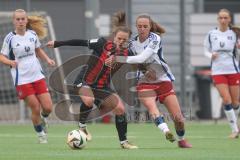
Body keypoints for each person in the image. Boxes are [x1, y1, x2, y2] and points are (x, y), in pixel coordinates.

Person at [47, 11, 139, 149]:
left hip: (103, 86)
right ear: (114, 37)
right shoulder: (102, 43)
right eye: (119, 38)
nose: (121, 42)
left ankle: (124, 142)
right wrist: (58, 43)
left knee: (120, 109)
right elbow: (80, 42)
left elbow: (139, 61)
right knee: (88, 100)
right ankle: (82, 125)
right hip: (84, 81)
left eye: (124, 40)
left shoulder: (128, 53)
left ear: (128, 41)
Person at [106, 14, 192, 148]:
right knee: (152, 107)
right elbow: (134, 61)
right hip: (144, 81)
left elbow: (142, 58)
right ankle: (166, 131)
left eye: (145, 26)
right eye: (139, 26)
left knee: (178, 119)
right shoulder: (132, 43)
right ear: (136, 27)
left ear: (150, 26)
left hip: (162, 80)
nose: (142, 29)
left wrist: (118, 59)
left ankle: (181, 139)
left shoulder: (155, 38)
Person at [0, 9, 55, 143]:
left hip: (37, 75)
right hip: (22, 79)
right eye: (17, 19)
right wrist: (10, 62)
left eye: (22, 19)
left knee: (48, 107)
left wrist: (47, 60)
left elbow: (38, 49)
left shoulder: (32, 34)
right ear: (14, 21)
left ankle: (43, 117)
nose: (20, 21)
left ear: (26, 20)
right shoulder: (10, 38)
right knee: (35, 107)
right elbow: (1, 56)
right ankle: (41, 135)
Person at [204, 8, 240, 138]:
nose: (223, 20)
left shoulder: (235, 33)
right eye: (221, 18)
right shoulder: (211, 34)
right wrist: (210, 55)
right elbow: (206, 50)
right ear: (218, 19)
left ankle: (237, 125)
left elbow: (238, 53)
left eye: (226, 18)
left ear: (230, 19)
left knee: (235, 102)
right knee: (226, 100)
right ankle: (234, 130)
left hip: (233, 70)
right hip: (218, 71)